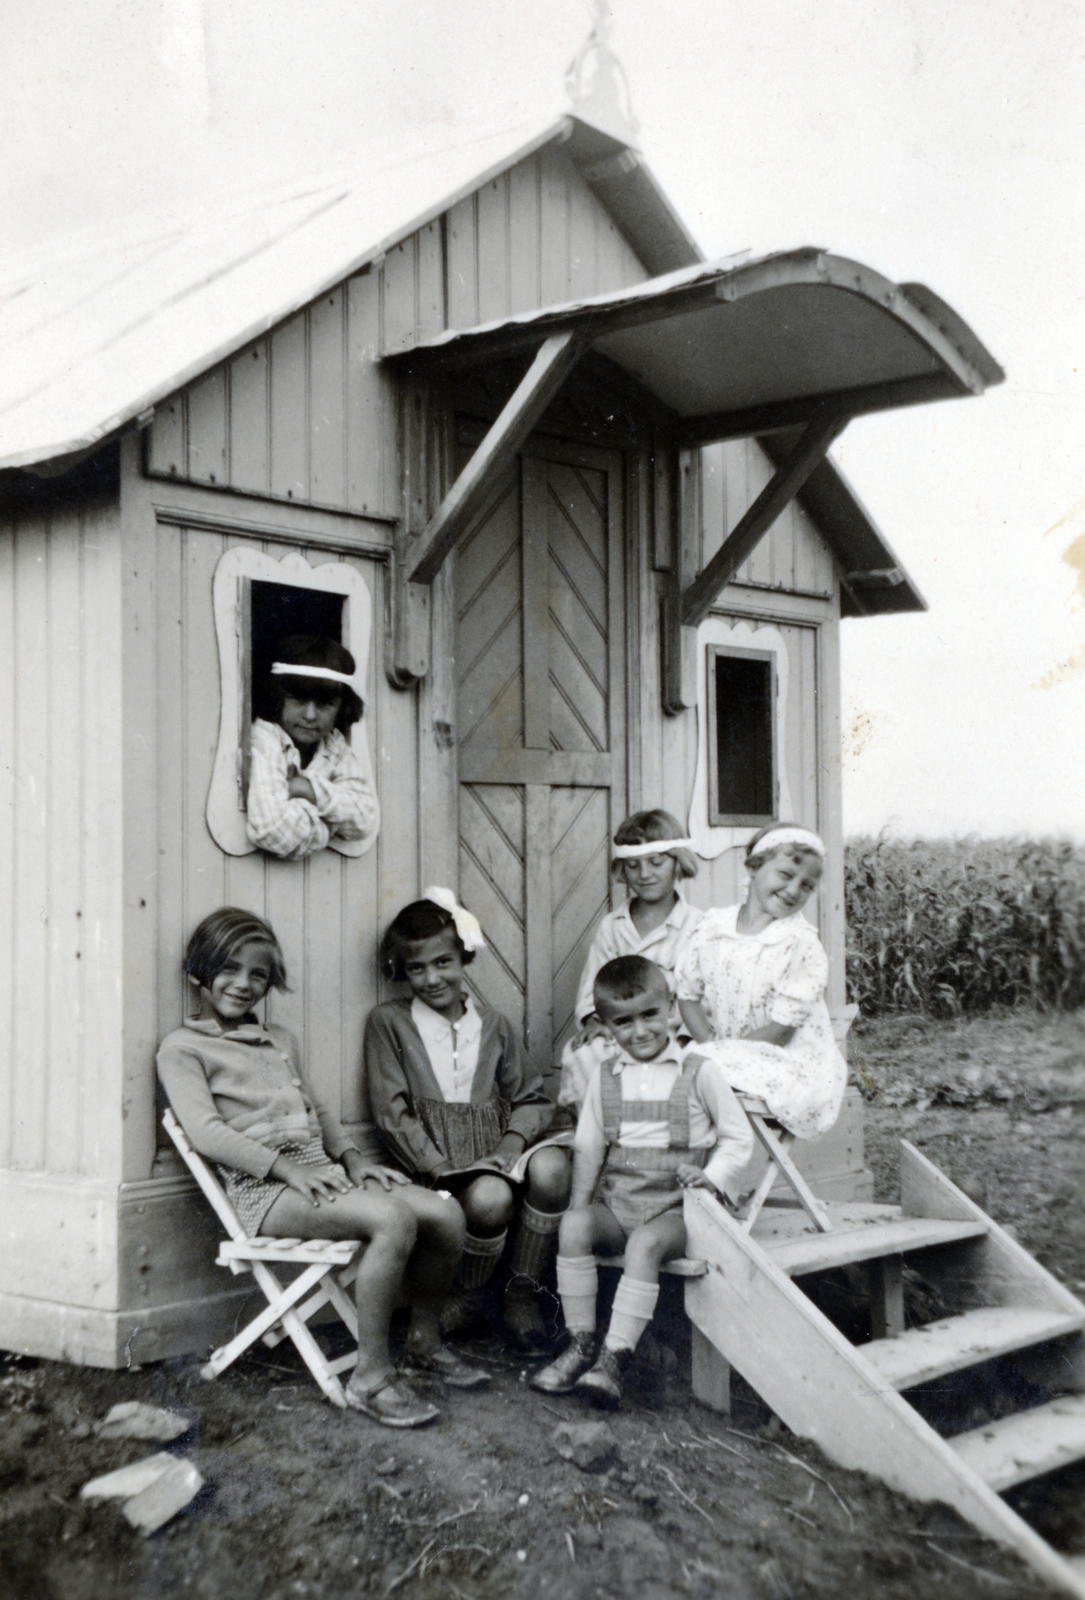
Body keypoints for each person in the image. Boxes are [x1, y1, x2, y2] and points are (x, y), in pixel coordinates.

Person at [158, 907, 486, 1430]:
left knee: (445, 1215)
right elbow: (207, 1134)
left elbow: (318, 1110)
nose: (244, 984)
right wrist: (288, 1172)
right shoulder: (183, 1049)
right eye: (229, 969)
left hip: (319, 1173)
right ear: (198, 972)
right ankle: (371, 1377)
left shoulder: (278, 1040)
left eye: (258, 974)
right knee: (393, 1220)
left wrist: (354, 1161)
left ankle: (424, 1340)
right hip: (263, 1191)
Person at [532, 954, 753, 1408]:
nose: (640, 1031)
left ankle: (616, 1357)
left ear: (670, 1007)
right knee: (572, 1226)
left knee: (644, 1245)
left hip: (679, 1210)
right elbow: (590, 1146)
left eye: (650, 1015)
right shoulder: (606, 1076)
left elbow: (737, 1137)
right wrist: (580, 1204)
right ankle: (581, 1345)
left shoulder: (699, 1070)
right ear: (606, 1027)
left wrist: (709, 1177)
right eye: (623, 1022)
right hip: (619, 1205)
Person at [365, 890, 570, 1350]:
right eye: (416, 968)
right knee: (491, 1197)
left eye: (443, 963)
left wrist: (510, 1146)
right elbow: (390, 1110)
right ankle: (470, 1296)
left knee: (553, 1168)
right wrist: (438, 1165)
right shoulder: (388, 1022)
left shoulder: (493, 1024)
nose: (432, 978)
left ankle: (521, 1294)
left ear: (464, 957)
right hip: (437, 1166)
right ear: (401, 970)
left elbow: (531, 1097)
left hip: (498, 1152)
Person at [675, 823, 847, 1142]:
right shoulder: (712, 927)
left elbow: (782, 1030)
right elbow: (687, 995)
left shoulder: (799, 944)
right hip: (724, 1050)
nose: (794, 890)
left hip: (784, 1061)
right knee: (663, 1068)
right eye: (785, 875)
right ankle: (676, 1171)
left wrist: (719, 1053)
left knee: (692, 1073)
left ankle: (698, 1174)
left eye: (807, 886)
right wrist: (711, 1043)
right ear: (754, 867)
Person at [557, 810, 702, 1113]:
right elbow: (591, 988)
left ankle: (659, 1143)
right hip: (620, 1032)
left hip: (672, 1033)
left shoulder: (697, 926)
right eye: (633, 865)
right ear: (622, 869)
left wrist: (689, 1036)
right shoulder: (614, 926)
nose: (644, 874)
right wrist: (595, 1021)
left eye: (656, 863)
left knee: (687, 1065)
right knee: (582, 1053)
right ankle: (599, 1135)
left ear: (678, 862)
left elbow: (703, 996)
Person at [245, 634, 380, 860]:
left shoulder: (334, 744)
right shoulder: (264, 737)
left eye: (325, 704)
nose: (309, 715)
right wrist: (328, 827)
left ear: (342, 706)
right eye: (298, 700)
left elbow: (365, 819)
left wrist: (306, 789)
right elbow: (271, 829)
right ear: (277, 696)